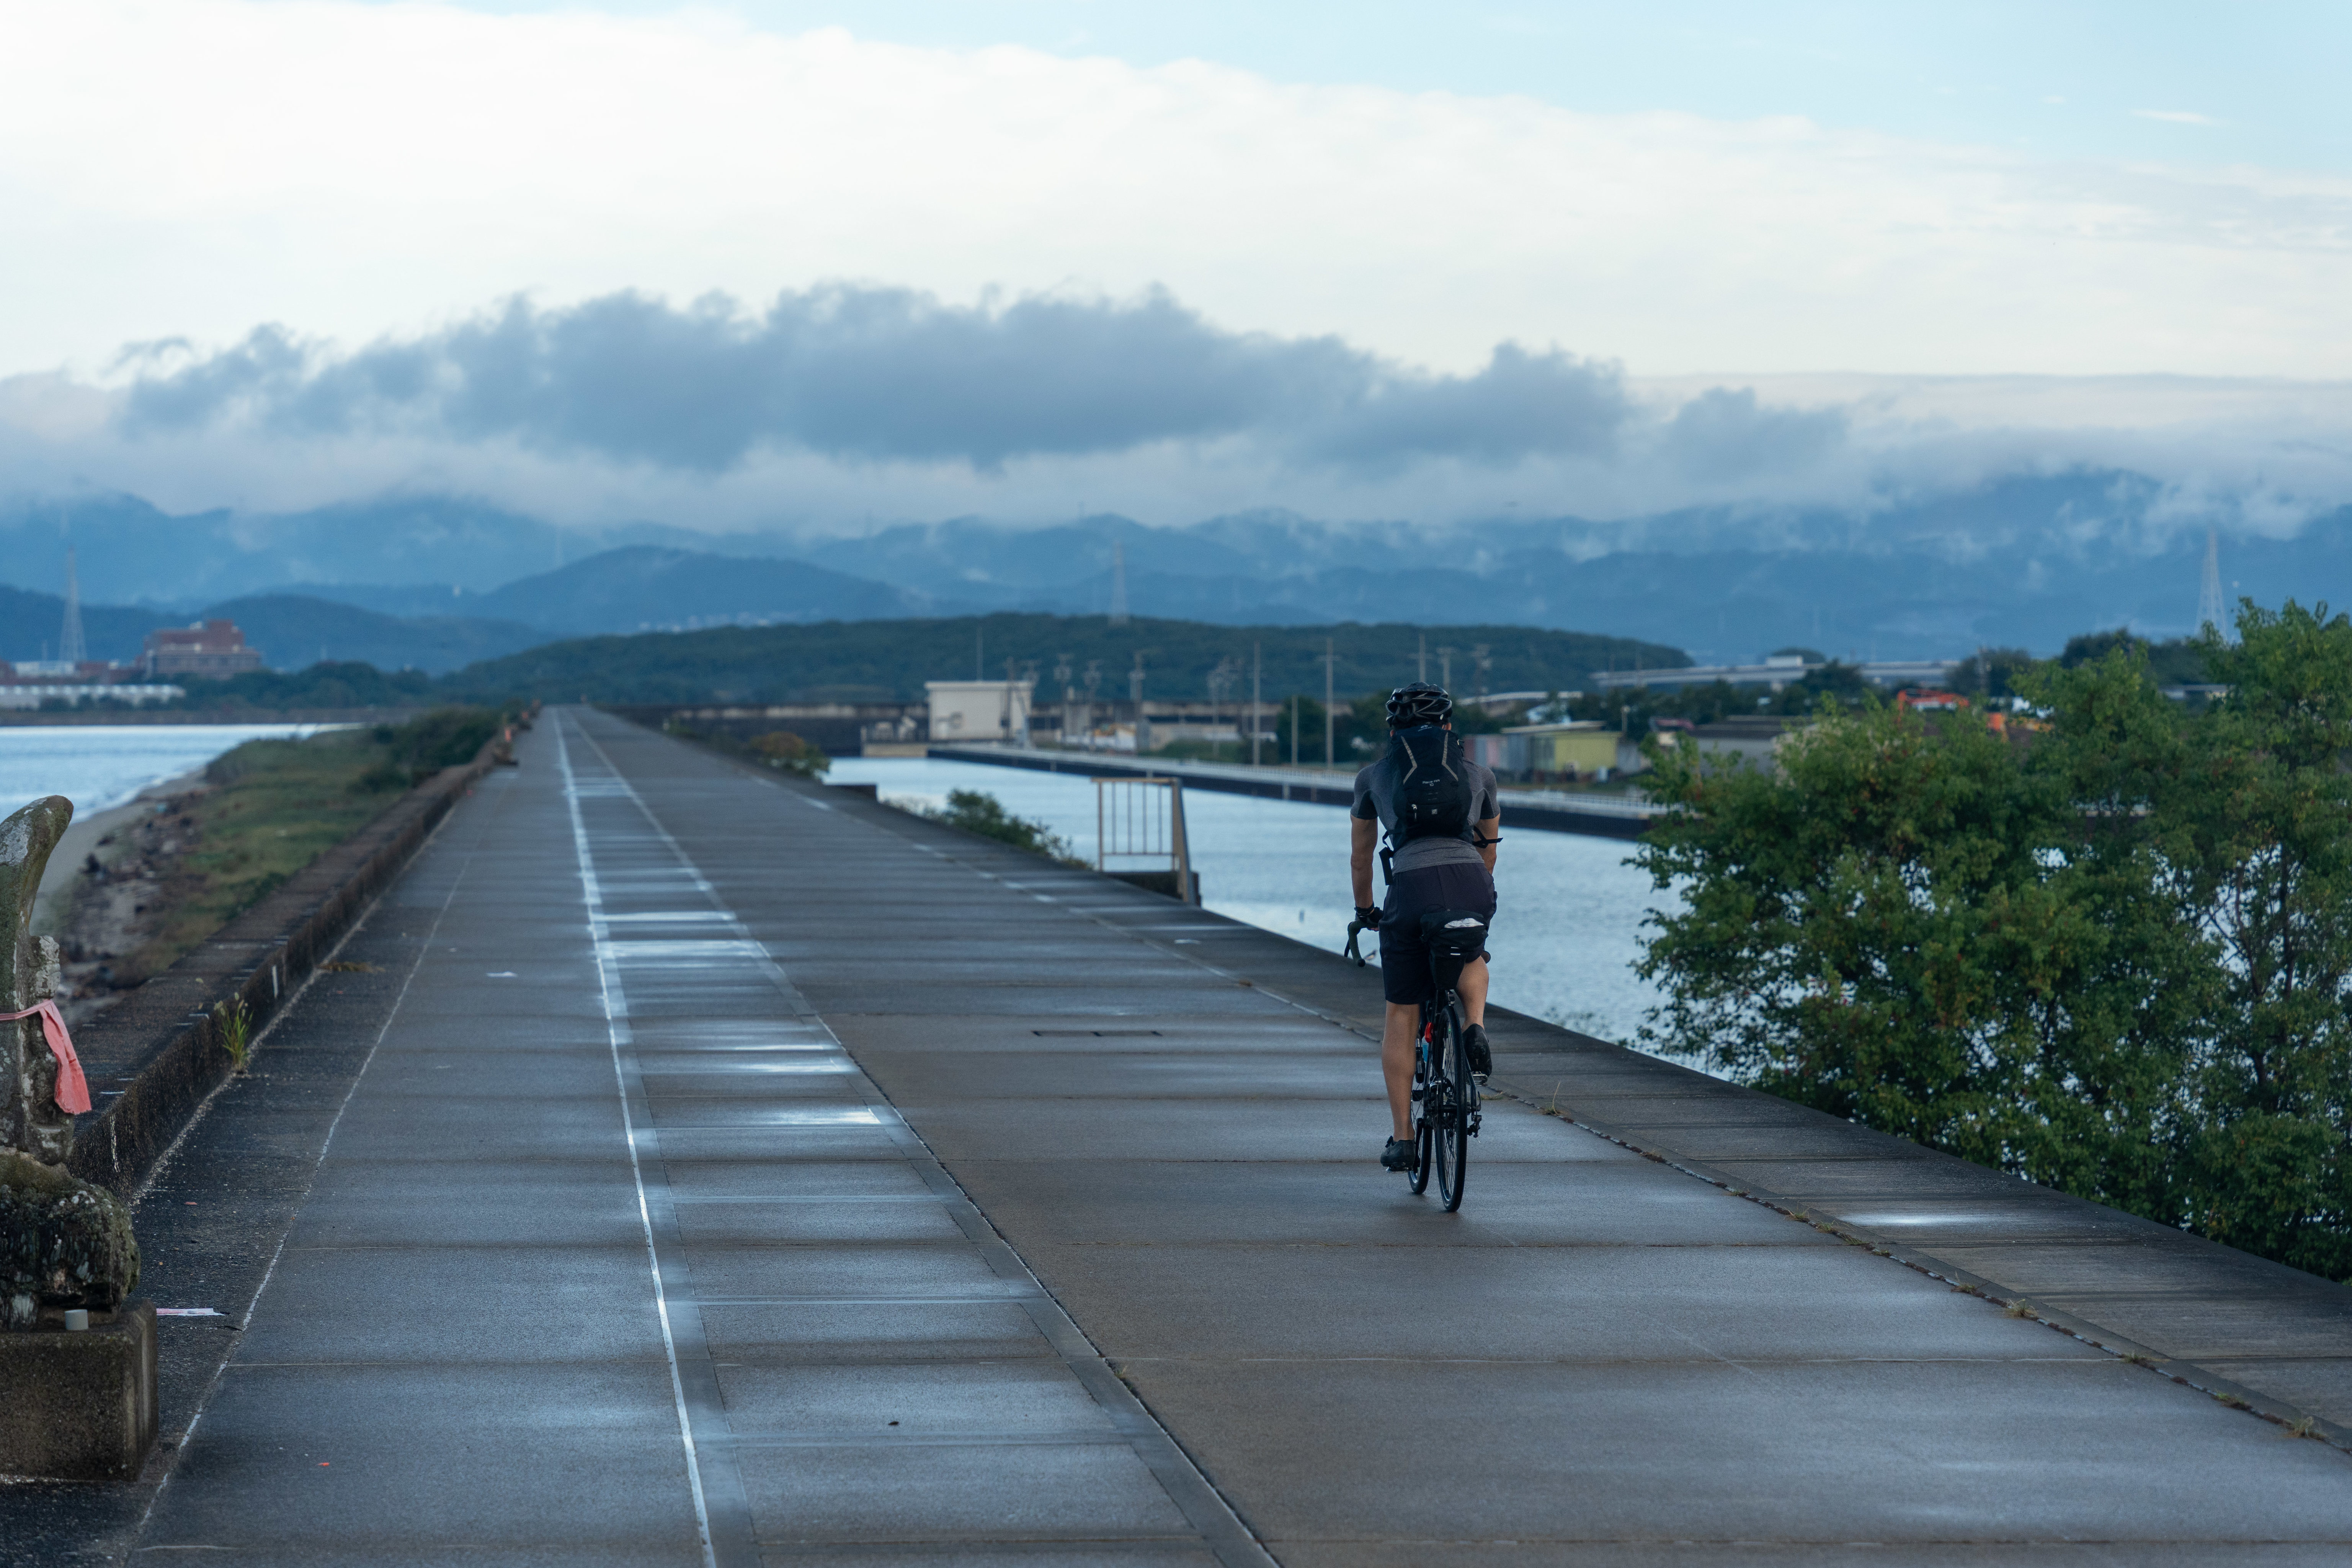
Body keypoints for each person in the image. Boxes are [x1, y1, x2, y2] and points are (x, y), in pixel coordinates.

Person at [1349, 682, 1501, 1174]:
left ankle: (1404, 1139)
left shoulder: (1373, 776)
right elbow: (1489, 849)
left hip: (1410, 887)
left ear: (1392, 730)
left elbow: (1360, 858)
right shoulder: (1479, 774)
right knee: (1472, 956)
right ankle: (1474, 1026)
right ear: (1449, 727)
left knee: (1402, 1012)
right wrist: (1469, 899)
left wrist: (1367, 910)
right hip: (1469, 882)